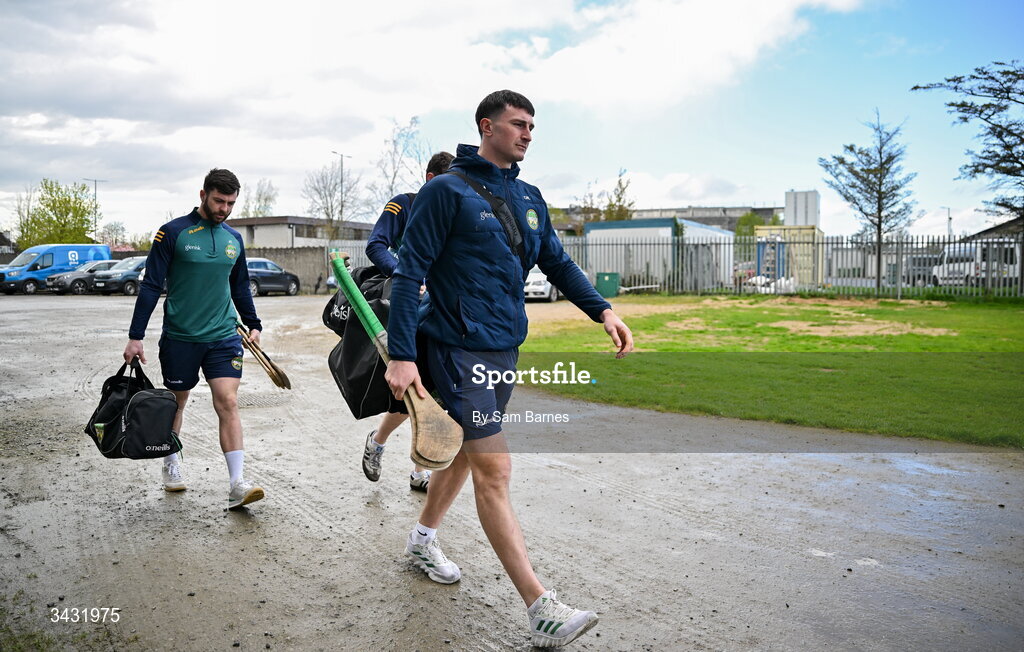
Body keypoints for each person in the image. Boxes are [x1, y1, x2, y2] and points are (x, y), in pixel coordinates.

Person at [384, 91, 633, 648]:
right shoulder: (444, 191)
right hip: (454, 349)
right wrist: (402, 355)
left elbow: (557, 261)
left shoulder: (528, 196)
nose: (526, 135)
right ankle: (540, 607)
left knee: (471, 461)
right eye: (518, 125)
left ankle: (422, 539)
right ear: (486, 126)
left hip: (503, 350)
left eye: (531, 127)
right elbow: (408, 275)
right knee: (495, 470)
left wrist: (603, 310)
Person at [124, 168, 266, 510]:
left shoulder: (234, 239)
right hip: (181, 337)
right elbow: (151, 285)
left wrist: (253, 323)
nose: (224, 209)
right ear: (203, 194)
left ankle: (237, 484)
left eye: (231, 203)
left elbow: (239, 285)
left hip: (223, 336)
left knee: (228, 402)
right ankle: (171, 461)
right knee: (178, 401)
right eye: (219, 201)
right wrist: (136, 336)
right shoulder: (172, 233)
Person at [362, 151, 454, 492]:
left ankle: (420, 472)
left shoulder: (456, 209)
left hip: (444, 312)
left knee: (437, 396)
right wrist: (406, 275)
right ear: (432, 180)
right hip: (411, 311)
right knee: (411, 394)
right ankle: (378, 441)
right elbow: (376, 246)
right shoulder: (404, 204)